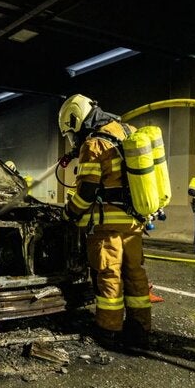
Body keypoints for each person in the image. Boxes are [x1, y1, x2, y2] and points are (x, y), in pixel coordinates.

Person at [58, 94, 153, 351]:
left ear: (77, 120)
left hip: (107, 225)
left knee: (109, 275)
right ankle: (140, 330)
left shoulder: (94, 144)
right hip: (134, 222)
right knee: (135, 275)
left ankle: (108, 330)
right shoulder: (128, 132)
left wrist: (69, 214)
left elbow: (87, 192)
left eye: (71, 132)